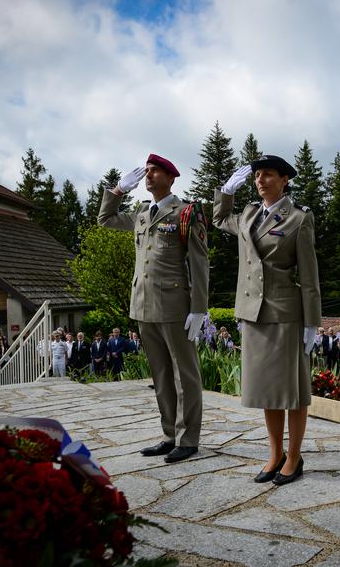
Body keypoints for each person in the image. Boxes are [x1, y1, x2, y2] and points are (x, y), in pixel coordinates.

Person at [214, 155, 322, 485]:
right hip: (254, 314)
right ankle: (275, 454)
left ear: (285, 179)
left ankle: (294, 456)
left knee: (292, 390)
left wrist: (311, 322)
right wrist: (226, 191)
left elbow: (309, 274)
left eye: (269, 175)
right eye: (257, 175)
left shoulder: (299, 219)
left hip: (287, 314)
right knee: (267, 391)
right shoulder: (248, 214)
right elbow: (219, 219)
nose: (261, 180)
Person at [99, 153, 208, 464]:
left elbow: (200, 262)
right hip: (144, 305)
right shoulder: (142, 213)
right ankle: (170, 435)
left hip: (175, 306)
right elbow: (105, 219)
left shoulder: (185, 212)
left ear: (171, 178)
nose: (148, 176)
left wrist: (199, 307)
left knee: (184, 375)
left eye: (155, 171)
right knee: (160, 375)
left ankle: (188, 439)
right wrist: (117, 192)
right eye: (146, 171)